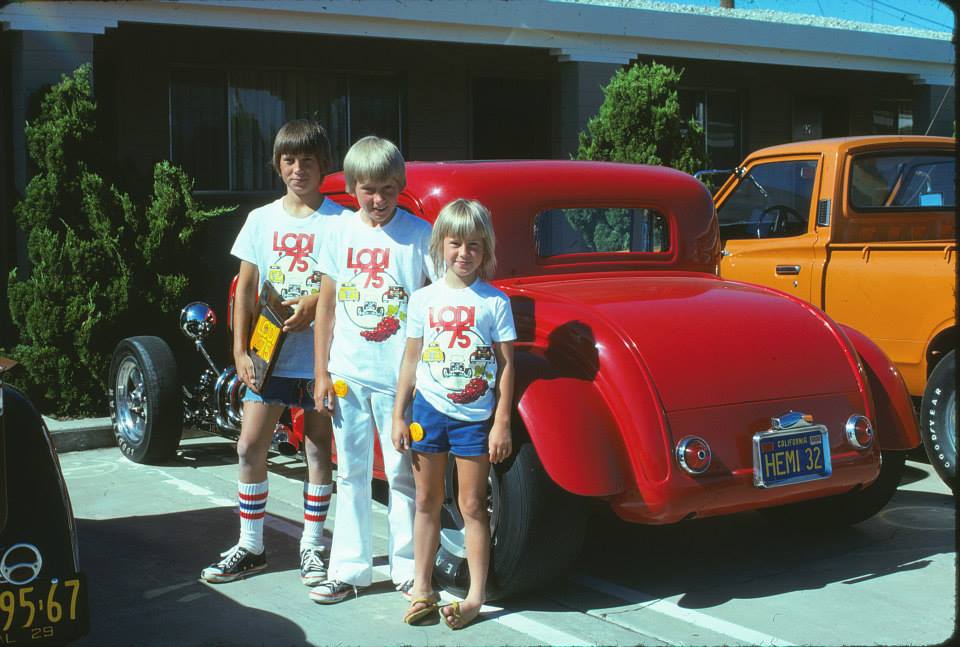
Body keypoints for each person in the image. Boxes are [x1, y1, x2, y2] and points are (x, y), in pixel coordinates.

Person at [200, 119, 345, 586]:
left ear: (324, 165)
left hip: (323, 358)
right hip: (270, 355)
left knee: (318, 448)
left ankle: (313, 547)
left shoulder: (341, 222)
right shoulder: (261, 220)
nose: (297, 169)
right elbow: (246, 288)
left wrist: (315, 303)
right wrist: (239, 350)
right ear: (277, 165)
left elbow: (356, 288)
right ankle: (251, 545)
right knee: (249, 445)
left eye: (307, 160)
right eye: (288, 160)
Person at [311, 136, 436, 604]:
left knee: (402, 473)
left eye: (387, 189)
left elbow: (437, 298)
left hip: (399, 381)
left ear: (400, 185)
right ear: (352, 187)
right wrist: (321, 371)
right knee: (351, 473)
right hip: (348, 373)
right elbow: (326, 306)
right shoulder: (338, 232)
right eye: (368, 190)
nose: (378, 200)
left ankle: (406, 567)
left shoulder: (419, 234)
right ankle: (349, 569)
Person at [391, 198, 516, 629]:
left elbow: (505, 366)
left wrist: (501, 421)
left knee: (472, 506)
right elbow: (411, 359)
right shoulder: (423, 299)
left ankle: (476, 596)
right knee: (425, 500)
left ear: (487, 250)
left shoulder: (495, 302)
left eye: (475, 246)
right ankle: (421, 587)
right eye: (455, 244)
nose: (464, 254)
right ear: (440, 244)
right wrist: (398, 414)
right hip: (428, 411)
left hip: (474, 419)